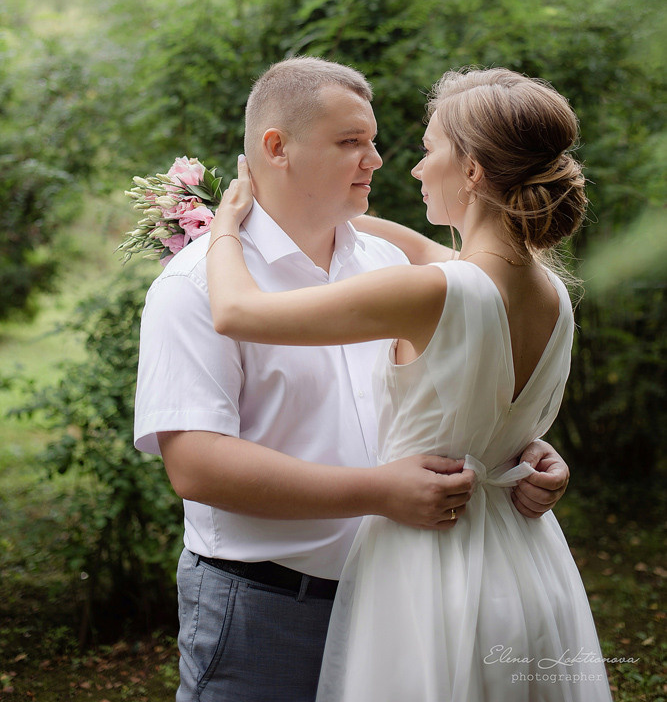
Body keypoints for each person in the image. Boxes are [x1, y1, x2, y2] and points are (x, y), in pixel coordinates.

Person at [134, 57, 571, 702]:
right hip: (272, 606)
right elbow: (196, 467)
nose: (378, 159)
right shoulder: (194, 286)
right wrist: (378, 492)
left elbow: (480, 345)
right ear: (275, 147)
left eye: (374, 140)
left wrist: (509, 451)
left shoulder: (391, 264)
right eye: (351, 143)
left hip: (411, 596)